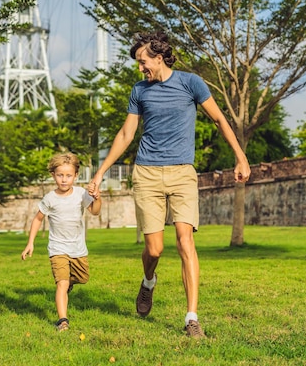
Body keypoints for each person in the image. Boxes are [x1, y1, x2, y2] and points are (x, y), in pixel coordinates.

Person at [88, 31, 250, 338]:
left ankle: (192, 318)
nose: (140, 68)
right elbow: (126, 134)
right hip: (147, 174)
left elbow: (219, 120)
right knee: (155, 248)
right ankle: (149, 280)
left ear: (158, 57)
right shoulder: (139, 90)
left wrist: (240, 157)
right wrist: (101, 172)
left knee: (185, 241)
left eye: (142, 61)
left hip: (182, 174)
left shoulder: (191, 83)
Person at [21, 152, 102, 332]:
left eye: (68, 175)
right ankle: (62, 320)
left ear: (75, 176)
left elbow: (95, 211)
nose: (64, 180)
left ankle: (69, 283)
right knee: (61, 283)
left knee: (83, 277)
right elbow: (37, 219)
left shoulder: (81, 194)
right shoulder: (50, 198)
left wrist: (97, 198)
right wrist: (30, 243)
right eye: (60, 175)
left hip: (78, 248)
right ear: (53, 175)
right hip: (57, 248)